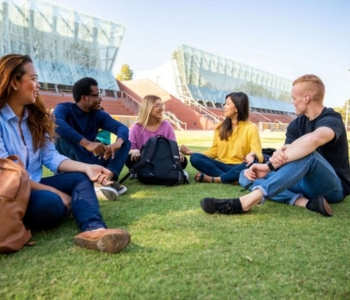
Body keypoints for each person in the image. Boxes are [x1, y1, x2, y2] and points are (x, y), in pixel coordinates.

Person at [0, 54, 130, 253]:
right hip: (8, 192)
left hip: (33, 185)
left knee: (79, 178)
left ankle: (94, 229)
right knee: (51, 203)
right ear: (15, 82)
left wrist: (88, 168)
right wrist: (58, 193)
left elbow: (51, 157)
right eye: (33, 79)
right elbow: (11, 176)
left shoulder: (36, 119)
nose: (38, 85)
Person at [200, 74, 350, 217]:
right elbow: (286, 157)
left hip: (332, 187)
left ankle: (247, 201)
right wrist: (271, 167)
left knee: (307, 154)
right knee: (244, 175)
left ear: (306, 98)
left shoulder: (332, 119)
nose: (292, 102)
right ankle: (306, 203)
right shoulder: (296, 124)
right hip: (302, 183)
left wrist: (268, 167)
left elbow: (313, 140)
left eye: (293, 98)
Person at [54, 77, 131, 200]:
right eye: (97, 95)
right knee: (64, 138)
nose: (100, 98)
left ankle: (106, 179)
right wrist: (86, 143)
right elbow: (56, 123)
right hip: (72, 164)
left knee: (125, 142)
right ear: (85, 97)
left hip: (92, 160)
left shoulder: (97, 114)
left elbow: (121, 128)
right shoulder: (65, 108)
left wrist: (118, 143)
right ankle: (95, 182)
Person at [181, 92, 263, 184]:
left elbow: (258, 153)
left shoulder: (251, 128)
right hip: (221, 166)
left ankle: (217, 179)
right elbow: (213, 152)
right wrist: (191, 152)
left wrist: (252, 155)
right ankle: (232, 179)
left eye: (227, 104)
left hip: (240, 166)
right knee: (195, 158)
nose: (224, 106)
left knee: (252, 163)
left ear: (237, 108)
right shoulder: (220, 127)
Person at [126, 94, 188, 171]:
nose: (161, 108)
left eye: (162, 105)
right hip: (144, 159)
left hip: (163, 158)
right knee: (128, 159)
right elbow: (129, 149)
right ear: (147, 108)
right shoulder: (136, 127)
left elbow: (173, 145)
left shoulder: (166, 125)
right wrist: (134, 151)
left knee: (183, 161)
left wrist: (178, 152)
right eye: (158, 105)